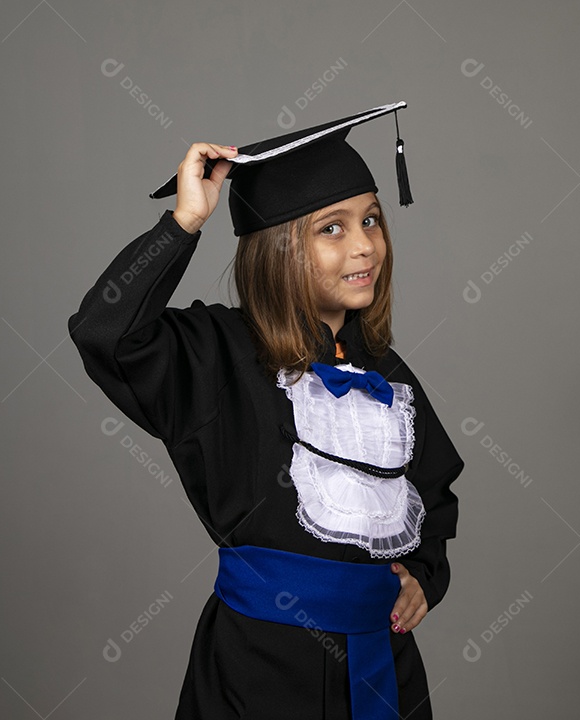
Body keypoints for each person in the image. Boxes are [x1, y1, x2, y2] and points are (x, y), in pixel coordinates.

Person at [67, 101, 465, 720]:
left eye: (371, 221)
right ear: (278, 248)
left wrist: (422, 575)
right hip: (258, 672)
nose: (364, 247)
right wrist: (183, 224)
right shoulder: (215, 355)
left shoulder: (388, 374)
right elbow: (105, 332)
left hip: (385, 670)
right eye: (331, 228)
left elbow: (434, 497)